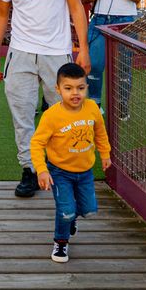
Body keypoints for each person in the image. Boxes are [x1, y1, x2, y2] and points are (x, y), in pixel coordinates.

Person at [0, 0, 90, 198]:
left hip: (56, 52)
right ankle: (30, 170)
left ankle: (64, 168)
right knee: (21, 114)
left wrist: (82, 48)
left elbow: (75, 7)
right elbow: (1, 13)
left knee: (64, 113)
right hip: (20, 52)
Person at [30, 62, 111, 263]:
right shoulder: (51, 116)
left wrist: (105, 154)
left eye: (80, 88)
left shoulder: (92, 108)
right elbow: (36, 143)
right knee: (65, 211)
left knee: (90, 210)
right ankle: (61, 243)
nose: (75, 93)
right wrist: (41, 170)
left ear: (86, 88)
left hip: (85, 172)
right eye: (68, 88)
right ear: (58, 90)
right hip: (60, 173)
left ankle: (73, 217)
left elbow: (100, 133)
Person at [80, 0, 144, 113]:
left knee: (123, 67)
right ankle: (95, 104)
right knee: (95, 64)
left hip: (125, 22)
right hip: (100, 20)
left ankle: (122, 106)